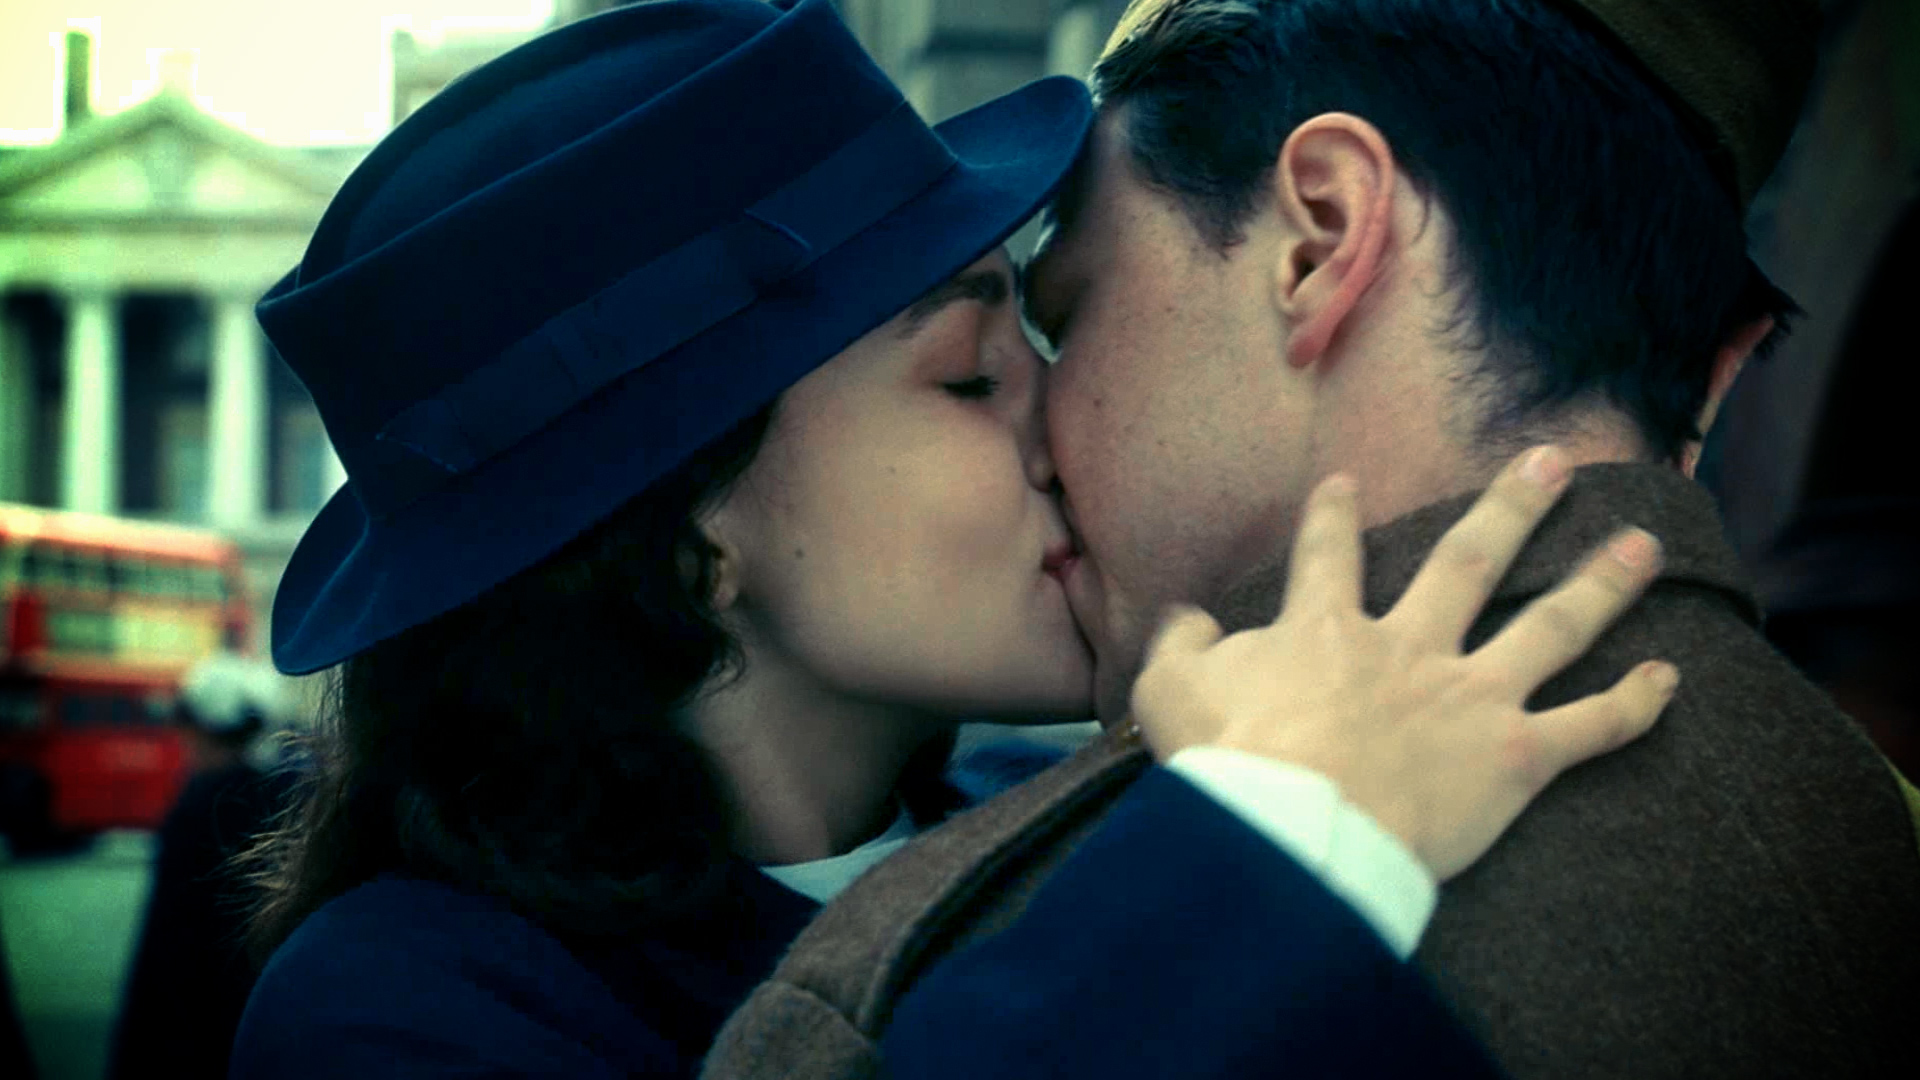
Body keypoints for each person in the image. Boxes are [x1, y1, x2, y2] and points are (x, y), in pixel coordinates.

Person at [227, 1, 1680, 1077]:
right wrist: (1269, 863)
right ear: (687, 543)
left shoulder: (1100, 803)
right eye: (972, 377)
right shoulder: (404, 1012)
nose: (1073, 416)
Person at [709, 0, 1920, 1077]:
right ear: (1710, 385)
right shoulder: (1863, 843)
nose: (1040, 423)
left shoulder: (942, 975)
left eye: (1067, 315)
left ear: (1322, 236)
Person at [110, 654, 301, 1080]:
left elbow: (168, 936)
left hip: (190, 1014)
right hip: (256, 1001)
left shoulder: (197, 805)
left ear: (202, 729)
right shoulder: (283, 794)